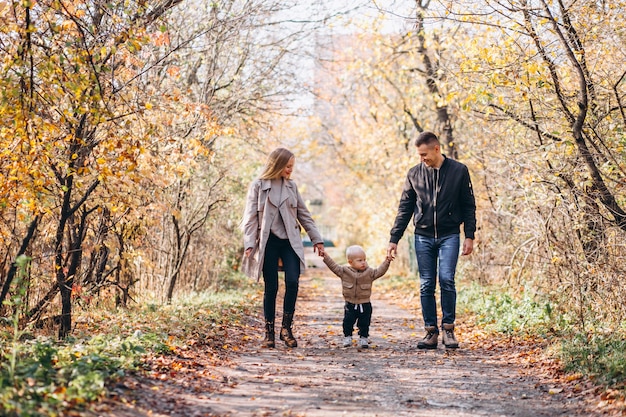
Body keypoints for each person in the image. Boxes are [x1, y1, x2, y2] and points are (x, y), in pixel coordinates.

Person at [387, 131, 476, 350]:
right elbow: (405, 209)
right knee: (426, 284)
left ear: (437, 149)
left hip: (450, 235)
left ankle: (448, 330)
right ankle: (430, 333)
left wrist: (470, 235)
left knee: (446, 279)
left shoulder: (459, 171)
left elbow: (468, 205)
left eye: (424, 154)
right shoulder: (414, 174)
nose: (422, 159)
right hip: (423, 236)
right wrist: (394, 238)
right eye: (419, 155)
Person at [241, 147, 325, 348]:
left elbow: (304, 215)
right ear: (277, 164)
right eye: (288, 166)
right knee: (271, 287)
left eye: (292, 167)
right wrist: (249, 243)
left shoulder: (291, 187)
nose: (290, 170)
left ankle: (286, 329)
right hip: (268, 242)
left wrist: (317, 240)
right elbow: (250, 217)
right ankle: (268, 333)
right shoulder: (258, 186)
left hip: (290, 242)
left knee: (293, 282)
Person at [323, 245, 392, 349]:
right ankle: (347, 336)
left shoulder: (369, 272)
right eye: (360, 260)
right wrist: (326, 257)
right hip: (350, 304)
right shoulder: (344, 271)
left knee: (364, 323)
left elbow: (380, 271)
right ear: (350, 262)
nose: (363, 262)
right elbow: (333, 266)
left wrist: (387, 262)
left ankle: (363, 337)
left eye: (364, 260)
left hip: (365, 304)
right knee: (347, 322)